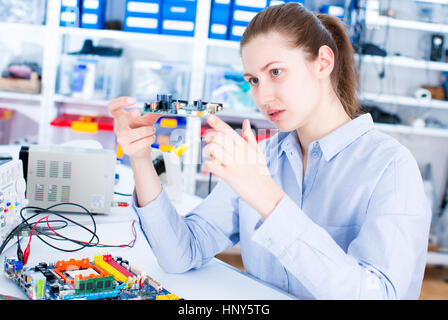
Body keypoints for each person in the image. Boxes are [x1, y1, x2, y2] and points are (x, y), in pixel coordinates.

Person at [107, 3, 431, 299]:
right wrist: (140, 159)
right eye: (253, 80)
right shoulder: (263, 158)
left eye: (275, 72)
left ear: (323, 63)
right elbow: (181, 253)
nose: (262, 97)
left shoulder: (391, 167)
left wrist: (266, 197)